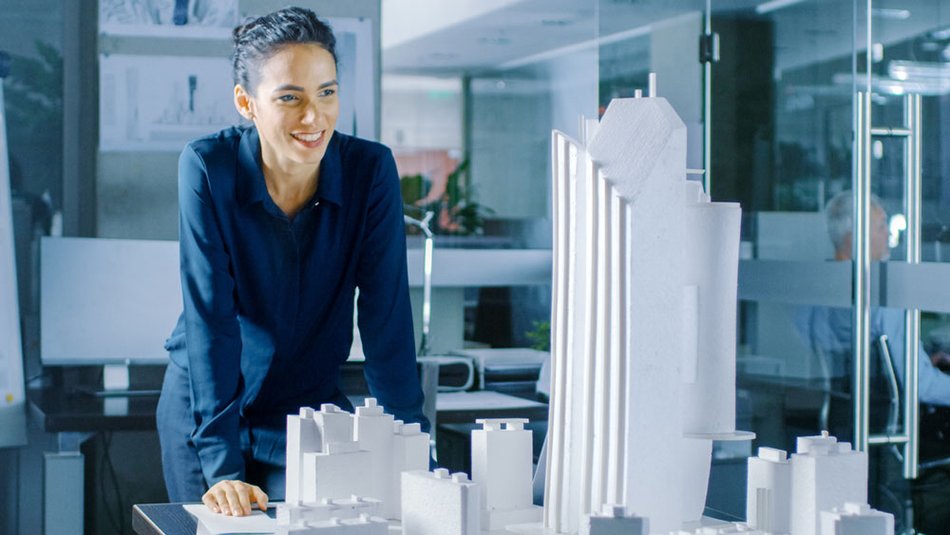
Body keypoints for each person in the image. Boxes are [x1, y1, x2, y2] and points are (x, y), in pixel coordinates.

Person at [156, 7, 427, 517]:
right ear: (246, 103)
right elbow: (210, 317)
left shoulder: (369, 170)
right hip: (207, 407)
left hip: (306, 410)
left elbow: (386, 316)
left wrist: (411, 447)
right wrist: (222, 467)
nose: (313, 117)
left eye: (326, 93)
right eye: (289, 97)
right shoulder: (208, 166)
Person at [796, 190, 950, 406]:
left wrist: (918, 359)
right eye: (881, 226)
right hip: (884, 415)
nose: (889, 234)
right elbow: (922, 386)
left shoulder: (816, 292)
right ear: (855, 236)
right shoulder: (884, 295)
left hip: (840, 407)